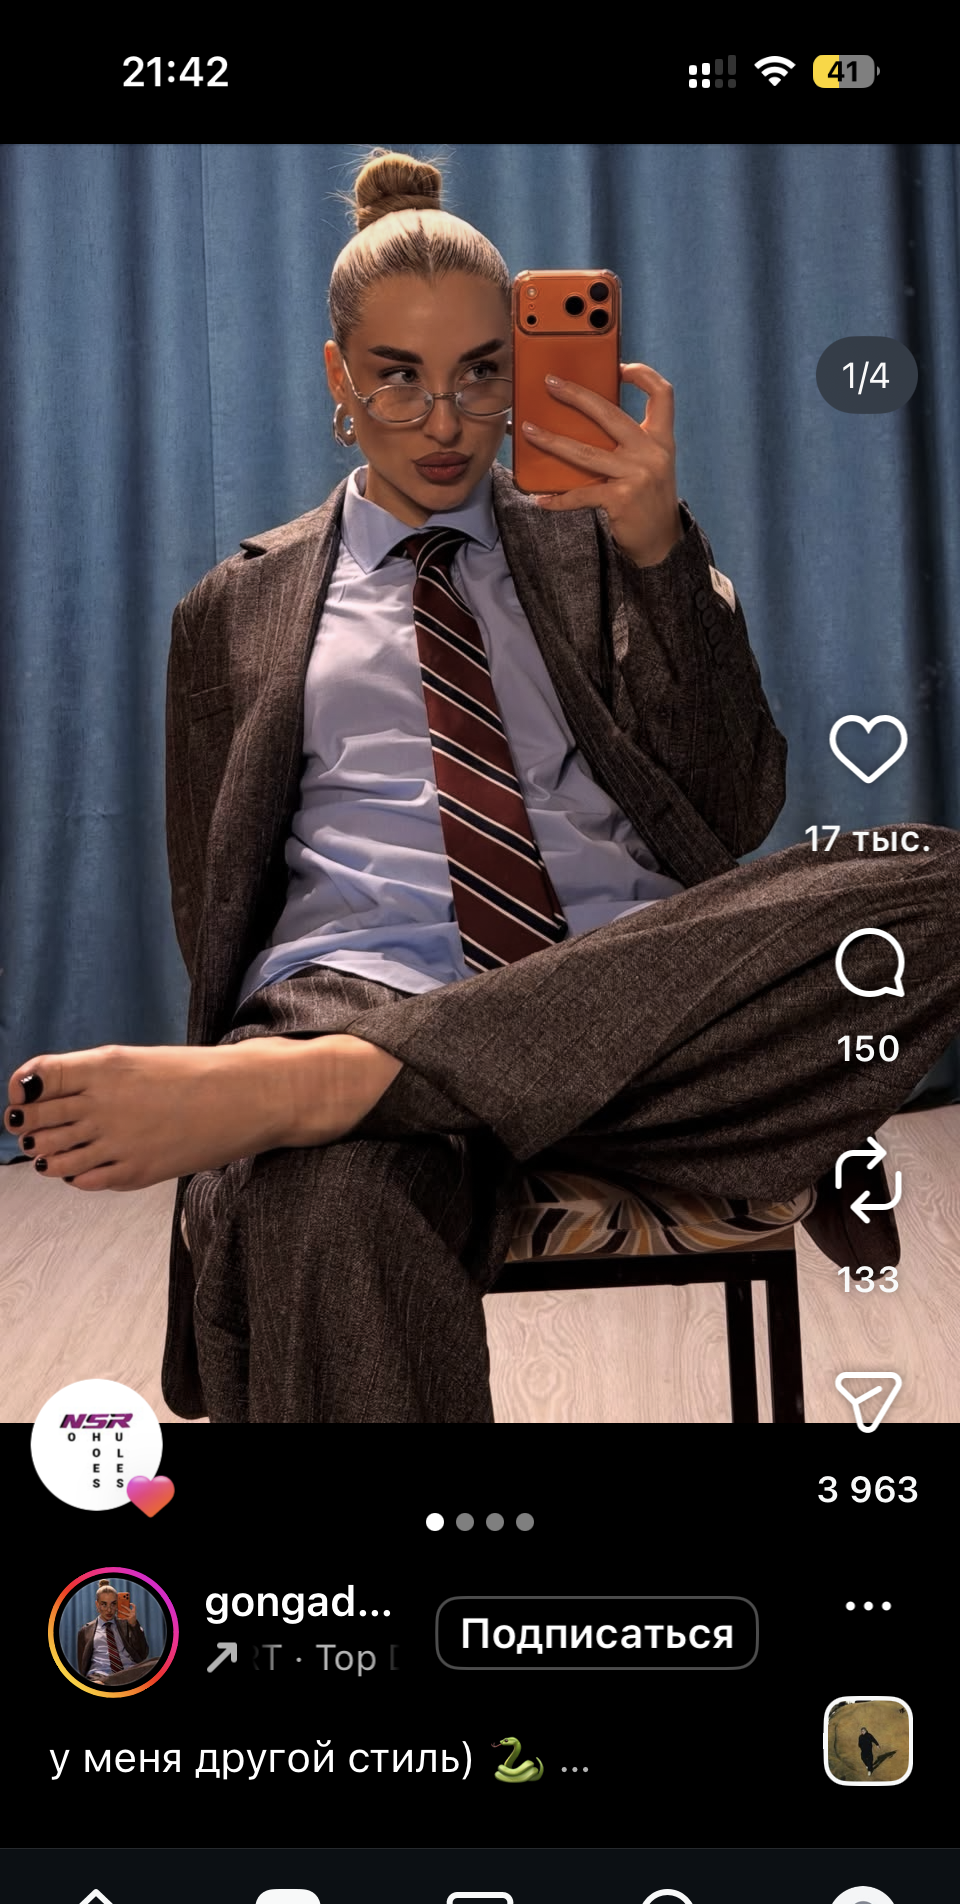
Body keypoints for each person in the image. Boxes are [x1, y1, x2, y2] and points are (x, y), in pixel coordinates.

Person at [6, 148, 960, 1424]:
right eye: (399, 377)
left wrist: (659, 553)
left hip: (636, 1007)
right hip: (361, 984)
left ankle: (330, 1082)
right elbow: (215, 894)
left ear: (518, 370)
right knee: (323, 1201)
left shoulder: (606, 542)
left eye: (478, 374)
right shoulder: (232, 611)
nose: (446, 421)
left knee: (925, 880)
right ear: (337, 379)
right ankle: (347, 1076)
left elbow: (733, 809)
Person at [75, 1581, 159, 1688]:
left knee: (159, 1662)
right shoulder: (85, 1630)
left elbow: (142, 1654)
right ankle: (107, 1682)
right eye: (104, 1604)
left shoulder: (127, 1624)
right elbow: (82, 1664)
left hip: (130, 1673)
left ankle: (107, 1682)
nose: (109, 1609)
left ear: (118, 1604)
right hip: (98, 1675)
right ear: (97, 1605)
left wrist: (134, 1625)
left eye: (113, 1604)